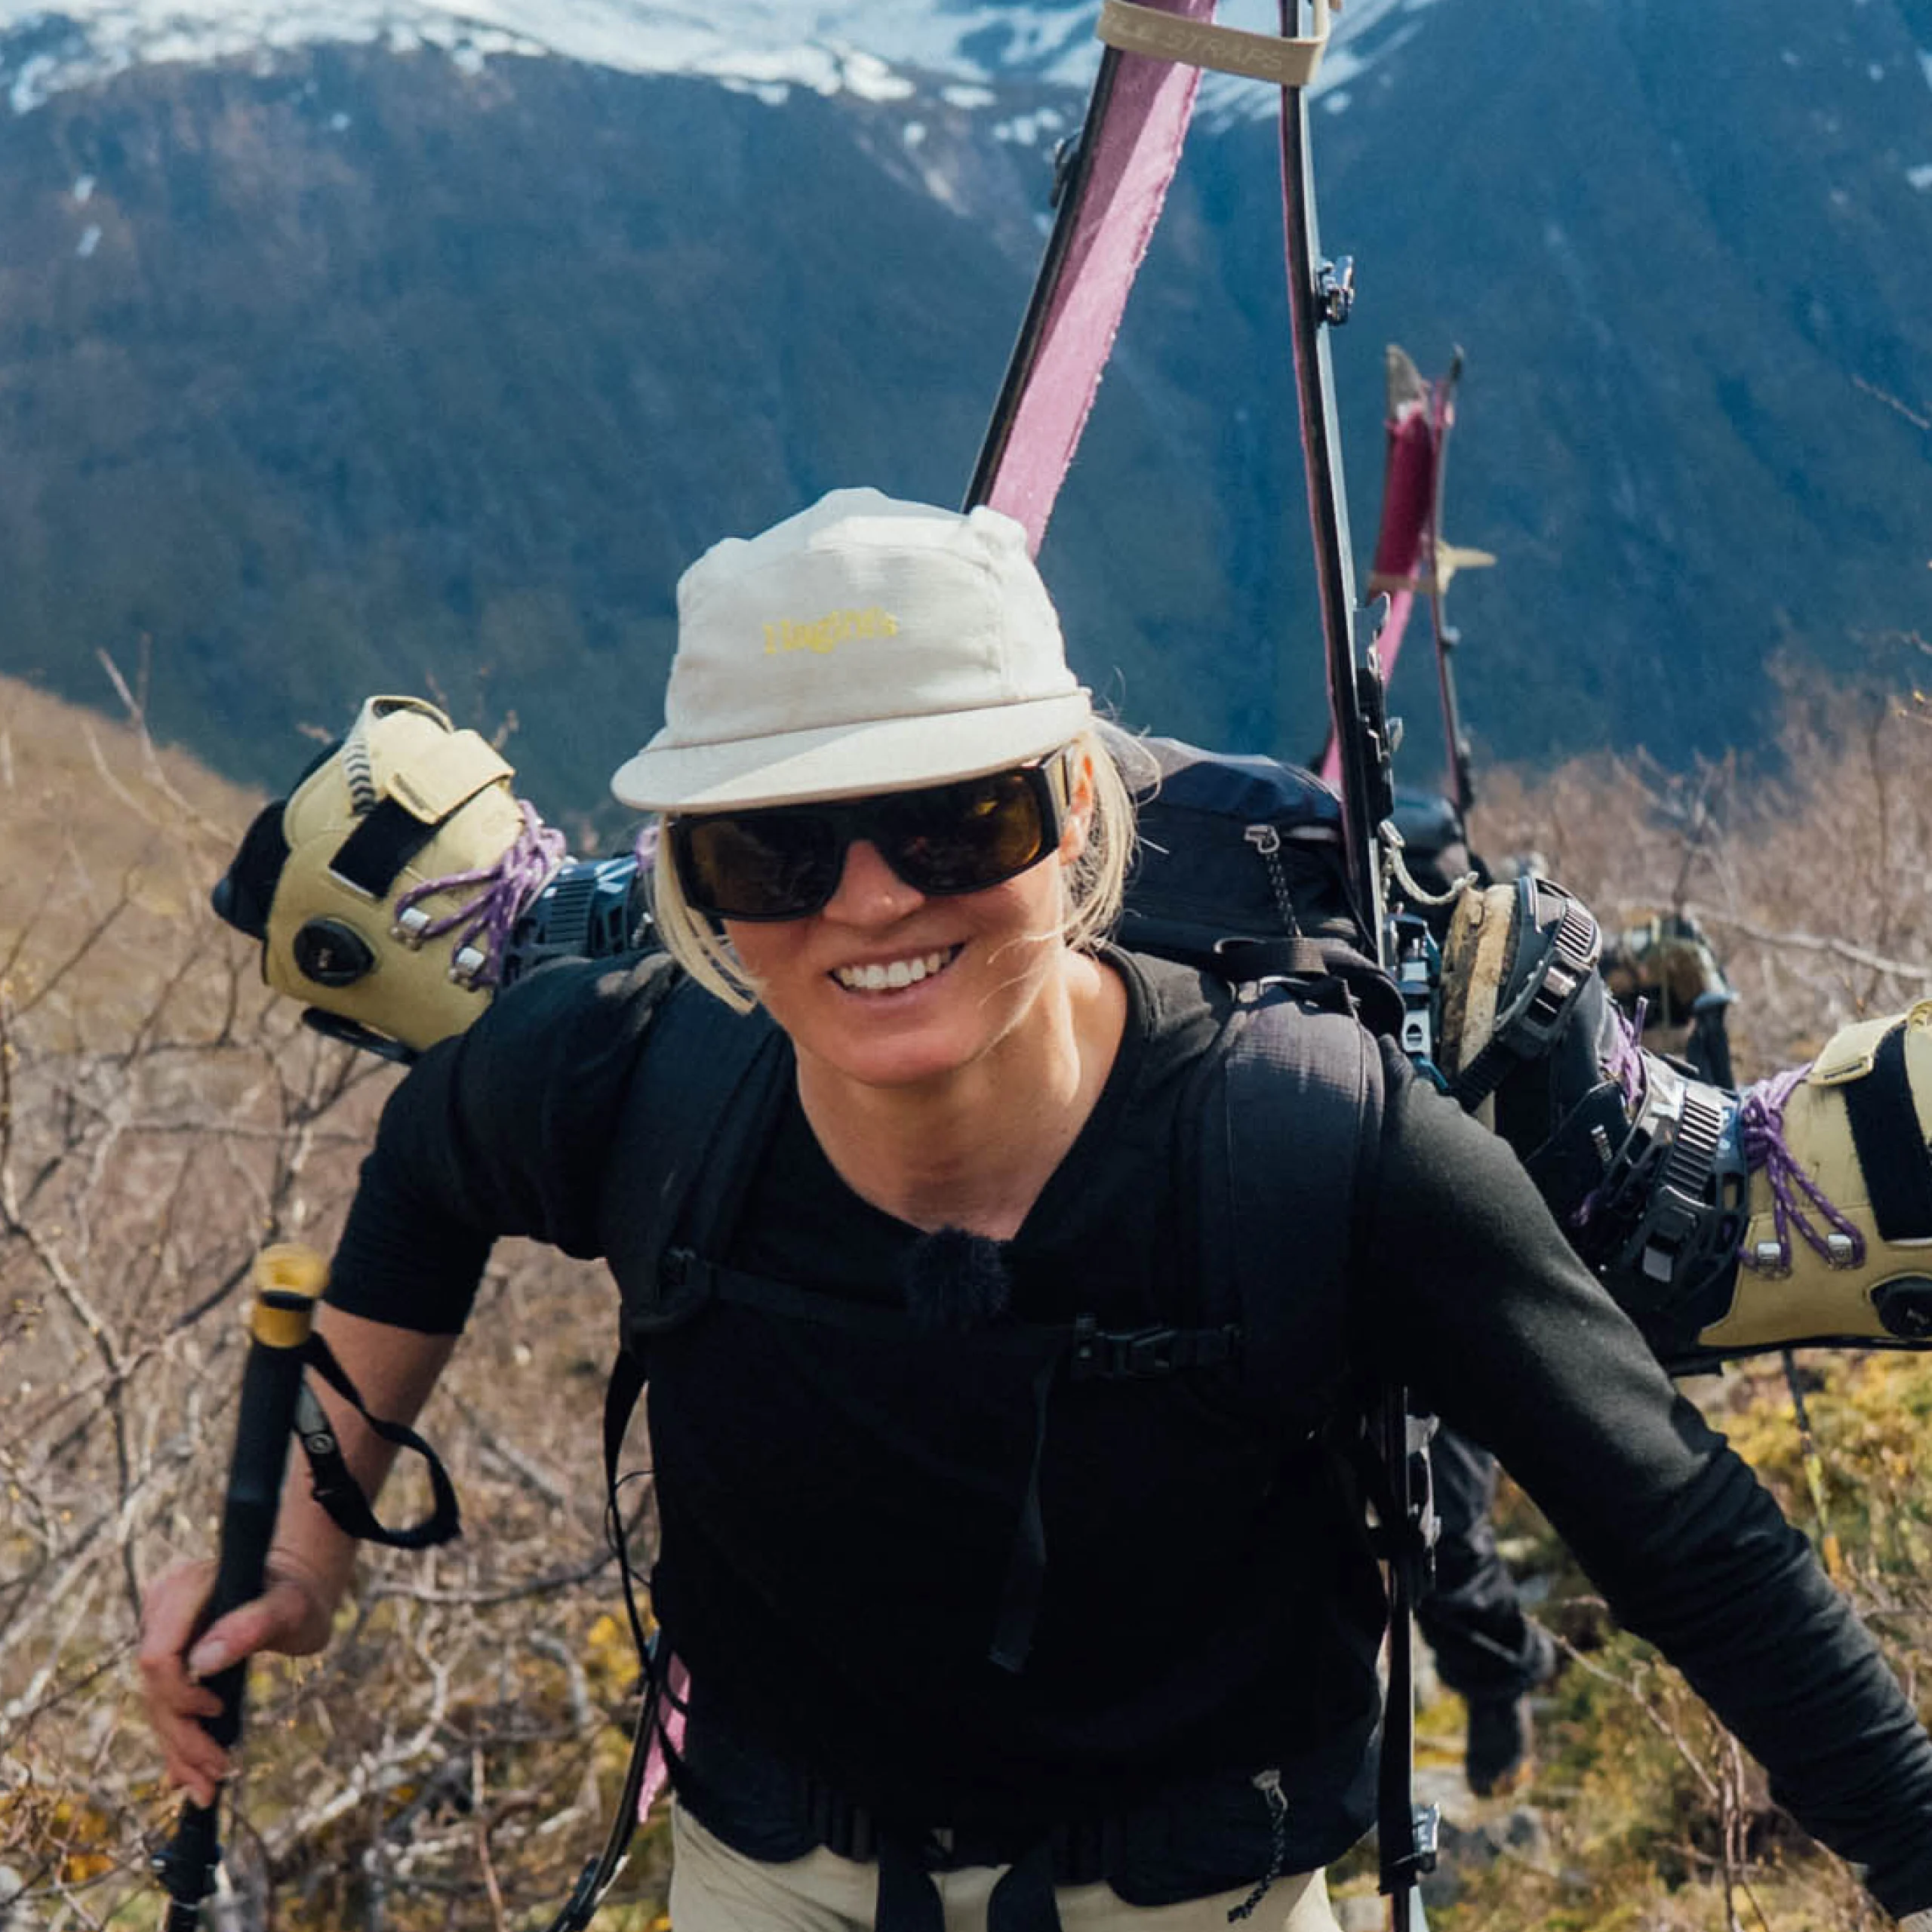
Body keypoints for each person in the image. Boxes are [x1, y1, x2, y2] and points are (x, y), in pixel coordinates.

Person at [140, 488, 1932, 1932]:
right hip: (774, 1877)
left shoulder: (1320, 1146)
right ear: (687, 876)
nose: (868, 903)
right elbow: (430, 1163)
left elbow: (1683, 1538)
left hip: (1208, 1894)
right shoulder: (629, 1076)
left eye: (953, 818)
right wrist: (302, 1540)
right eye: (774, 847)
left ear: (1075, 804)